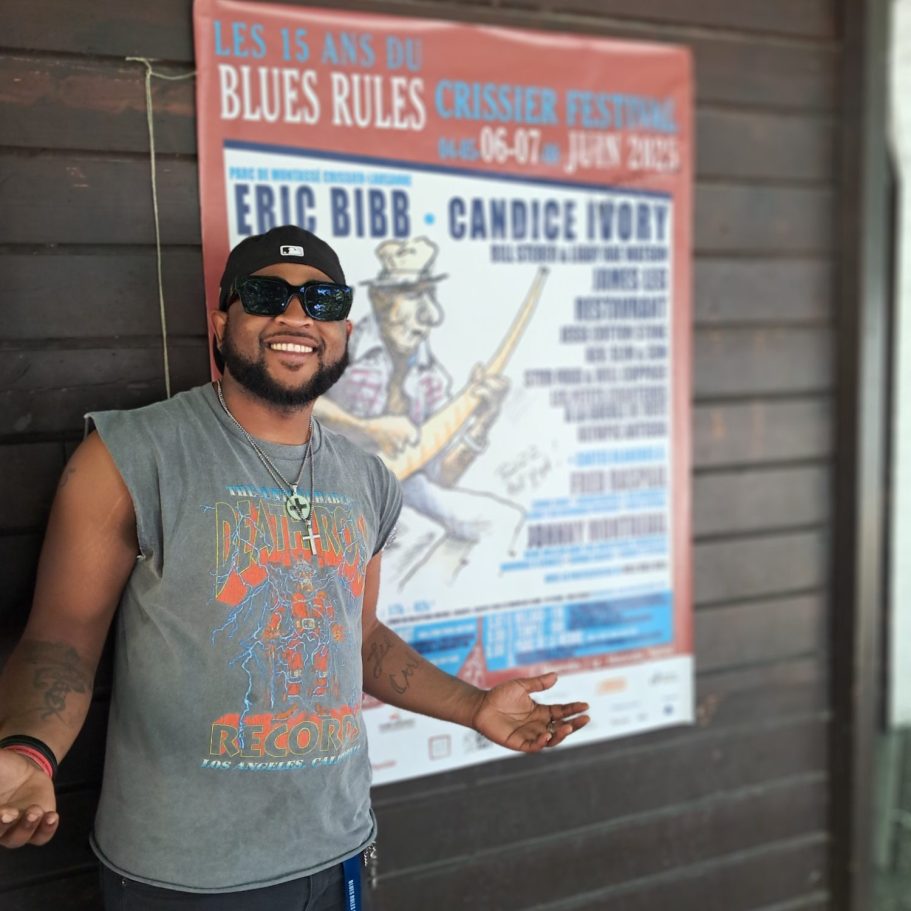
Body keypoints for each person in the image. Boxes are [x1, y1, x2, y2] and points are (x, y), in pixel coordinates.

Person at [0, 226, 589, 910]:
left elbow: (360, 638)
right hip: (185, 874)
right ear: (221, 323)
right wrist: (29, 751)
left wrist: (474, 705)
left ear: (343, 331)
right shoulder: (135, 454)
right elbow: (61, 639)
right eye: (265, 295)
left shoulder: (367, 477)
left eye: (322, 301)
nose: (296, 316)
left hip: (335, 848)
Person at [315, 237, 525, 591]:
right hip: (333, 490)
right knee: (418, 535)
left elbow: (441, 475)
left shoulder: (431, 378)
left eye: (431, 296)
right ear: (382, 301)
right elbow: (295, 400)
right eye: (415, 296)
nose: (432, 315)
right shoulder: (339, 347)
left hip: (404, 487)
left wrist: (481, 423)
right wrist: (366, 428)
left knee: (500, 519)